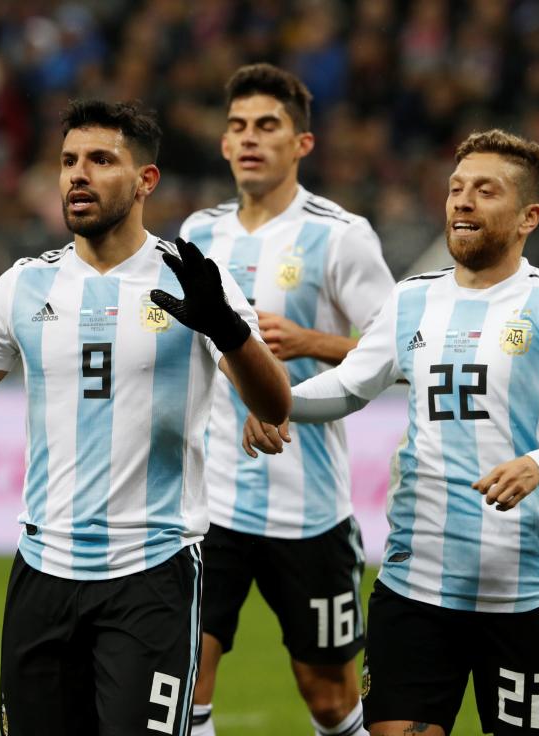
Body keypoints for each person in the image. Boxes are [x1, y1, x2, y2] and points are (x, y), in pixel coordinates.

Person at [0, 99, 292, 735]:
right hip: (43, 573)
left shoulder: (192, 282)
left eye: (102, 160)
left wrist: (229, 330)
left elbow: (276, 405)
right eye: (69, 161)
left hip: (151, 571)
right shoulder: (23, 285)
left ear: (144, 181)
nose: (79, 174)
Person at [264, 129, 539, 735]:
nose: (463, 201)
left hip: (523, 592)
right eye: (457, 188)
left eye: (486, 192)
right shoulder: (413, 300)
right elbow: (352, 386)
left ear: (528, 217)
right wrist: (280, 401)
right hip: (415, 582)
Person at [182, 63, 394, 736]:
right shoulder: (198, 233)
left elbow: (405, 350)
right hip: (208, 504)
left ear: (302, 143)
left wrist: (316, 342)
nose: (250, 138)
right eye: (238, 126)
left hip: (309, 506)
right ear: (222, 144)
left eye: (268, 126)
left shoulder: (340, 234)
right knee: (186, 685)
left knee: (330, 699)